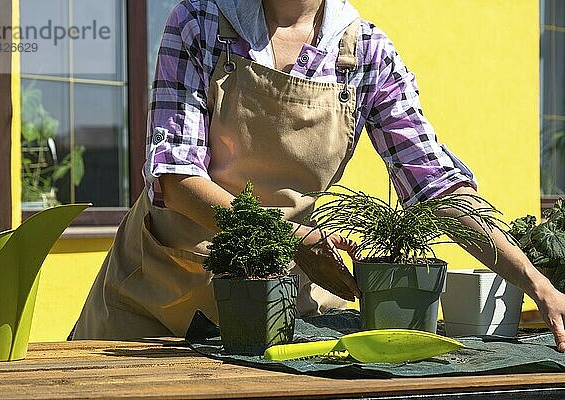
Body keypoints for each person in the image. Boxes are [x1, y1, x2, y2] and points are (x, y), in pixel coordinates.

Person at [72, 0, 565, 351]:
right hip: (158, 296)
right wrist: (294, 240)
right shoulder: (201, 20)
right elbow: (176, 180)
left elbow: (436, 187)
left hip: (276, 303)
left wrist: (539, 285)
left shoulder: (366, 53)